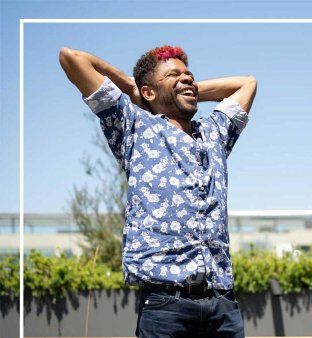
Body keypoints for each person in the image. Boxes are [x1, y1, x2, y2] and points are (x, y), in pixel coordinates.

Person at [59, 45, 257, 338]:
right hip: (166, 306)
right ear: (148, 92)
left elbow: (247, 84)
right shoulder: (134, 126)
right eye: (174, 74)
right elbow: (72, 58)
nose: (187, 78)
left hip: (222, 304)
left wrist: (184, 89)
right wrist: (132, 88)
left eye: (189, 75)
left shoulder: (214, 133)